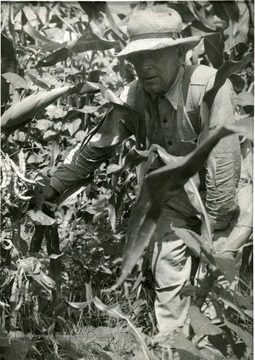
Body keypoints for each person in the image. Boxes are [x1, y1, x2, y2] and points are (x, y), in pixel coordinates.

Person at [45, 5, 242, 336]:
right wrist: (51, 189)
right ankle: (172, 347)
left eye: (155, 55)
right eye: (137, 58)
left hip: (229, 201)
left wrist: (217, 229)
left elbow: (224, 165)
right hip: (177, 199)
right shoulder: (134, 95)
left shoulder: (210, 87)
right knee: (168, 276)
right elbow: (94, 150)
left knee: (218, 291)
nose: (145, 66)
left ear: (180, 54)